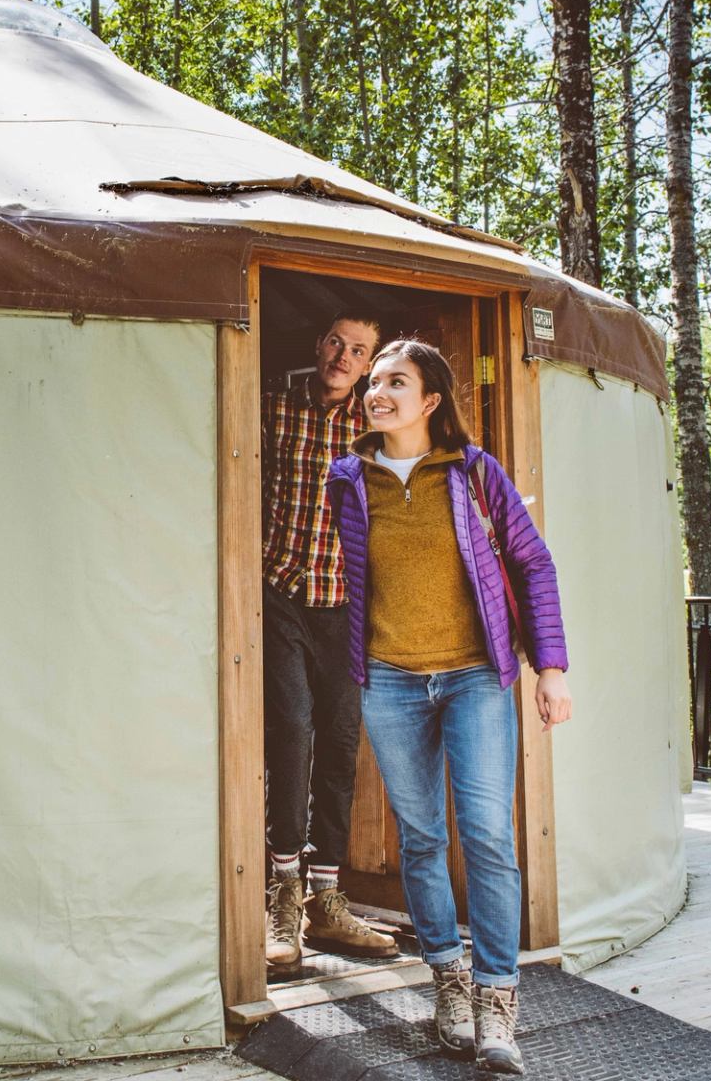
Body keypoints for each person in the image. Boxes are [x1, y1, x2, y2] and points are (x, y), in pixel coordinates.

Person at [325, 339, 571, 1075]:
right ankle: (448, 982)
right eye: (373, 383)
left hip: (474, 676)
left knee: (488, 835)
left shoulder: (473, 472)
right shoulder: (349, 478)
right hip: (392, 680)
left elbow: (532, 562)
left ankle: (498, 997)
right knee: (422, 839)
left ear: (431, 401)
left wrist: (550, 668)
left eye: (396, 381)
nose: (378, 393)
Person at [261, 313, 400, 975]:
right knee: (291, 728)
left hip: (344, 606)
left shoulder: (378, 431)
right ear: (319, 346)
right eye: (337, 343)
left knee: (342, 744)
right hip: (279, 592)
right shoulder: (271, 406)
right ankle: (281, 895)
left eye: (359, 350)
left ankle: (327, 901)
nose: (345, 356)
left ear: (370, 364)